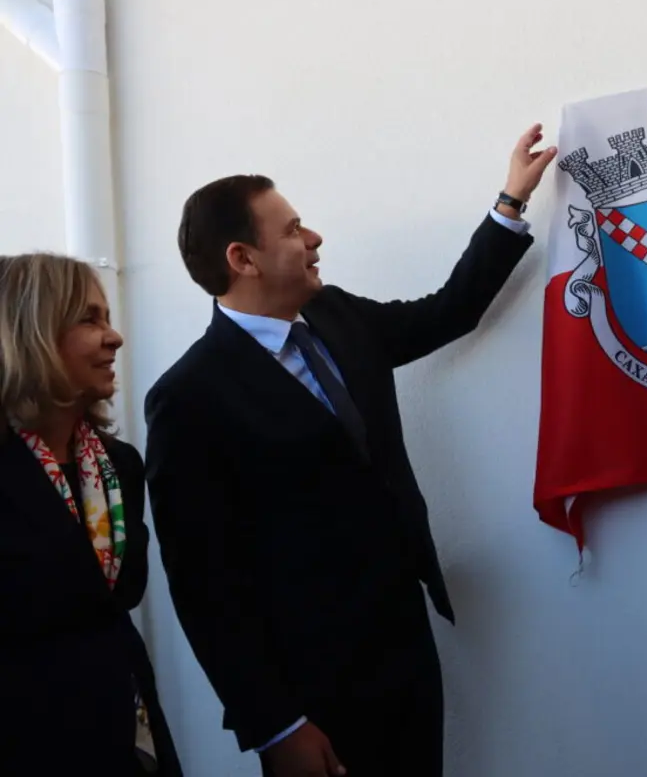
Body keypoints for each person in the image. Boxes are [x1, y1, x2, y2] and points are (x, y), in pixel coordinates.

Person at [144, 124, 556, 776]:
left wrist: (510, 202)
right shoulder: (189, 396)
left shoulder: (337, 317)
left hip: (405, 649)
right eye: (292, 229)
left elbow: (447, 312)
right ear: (243, 258)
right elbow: (203, 584)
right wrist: (275, 726)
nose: (314, 239)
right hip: (313, 693)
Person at [0, 253, 181, 776]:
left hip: (126, 731)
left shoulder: (117, 464)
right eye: (89, 319)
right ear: (30, 333)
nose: (114, 337)